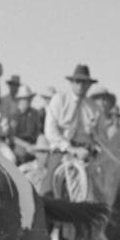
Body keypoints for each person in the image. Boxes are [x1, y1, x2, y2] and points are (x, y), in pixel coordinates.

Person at [44, 64, 103, 197]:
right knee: (48, 184)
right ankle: (43, 209)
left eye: (84, 82)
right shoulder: (59, 100)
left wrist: (96, 147)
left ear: (89, 85)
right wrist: (70, 148)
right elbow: (50, 131)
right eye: (77, 82)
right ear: (71, 83)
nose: (81, 85)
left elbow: (100, 136)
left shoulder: (94, 108)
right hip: (62, 151)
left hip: (88, 153)